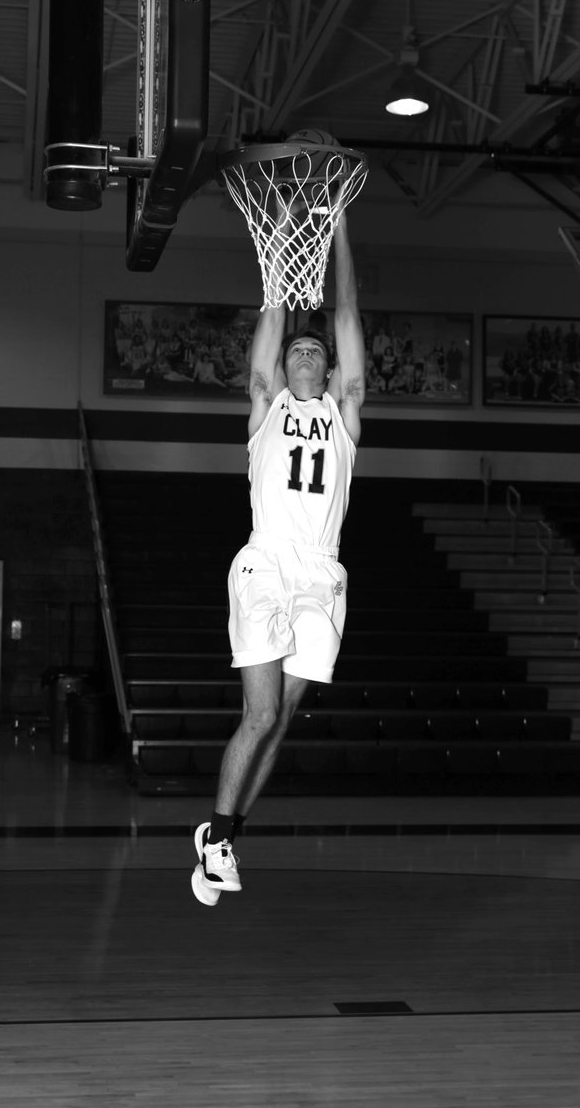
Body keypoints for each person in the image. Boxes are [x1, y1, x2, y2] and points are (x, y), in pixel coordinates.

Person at [191, 209, 365, 907]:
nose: (303, 357)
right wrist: (281, 250)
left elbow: (349, 313)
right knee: (260, 715)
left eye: (314, 353)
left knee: (285, 719)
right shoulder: (265, 407)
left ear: (328, 369)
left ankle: (224, 832)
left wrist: (341, 230)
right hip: (266, 562)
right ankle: (216, 840)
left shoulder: (344, 413)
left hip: (323, 574)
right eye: (295, 351)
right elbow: (267, 332)